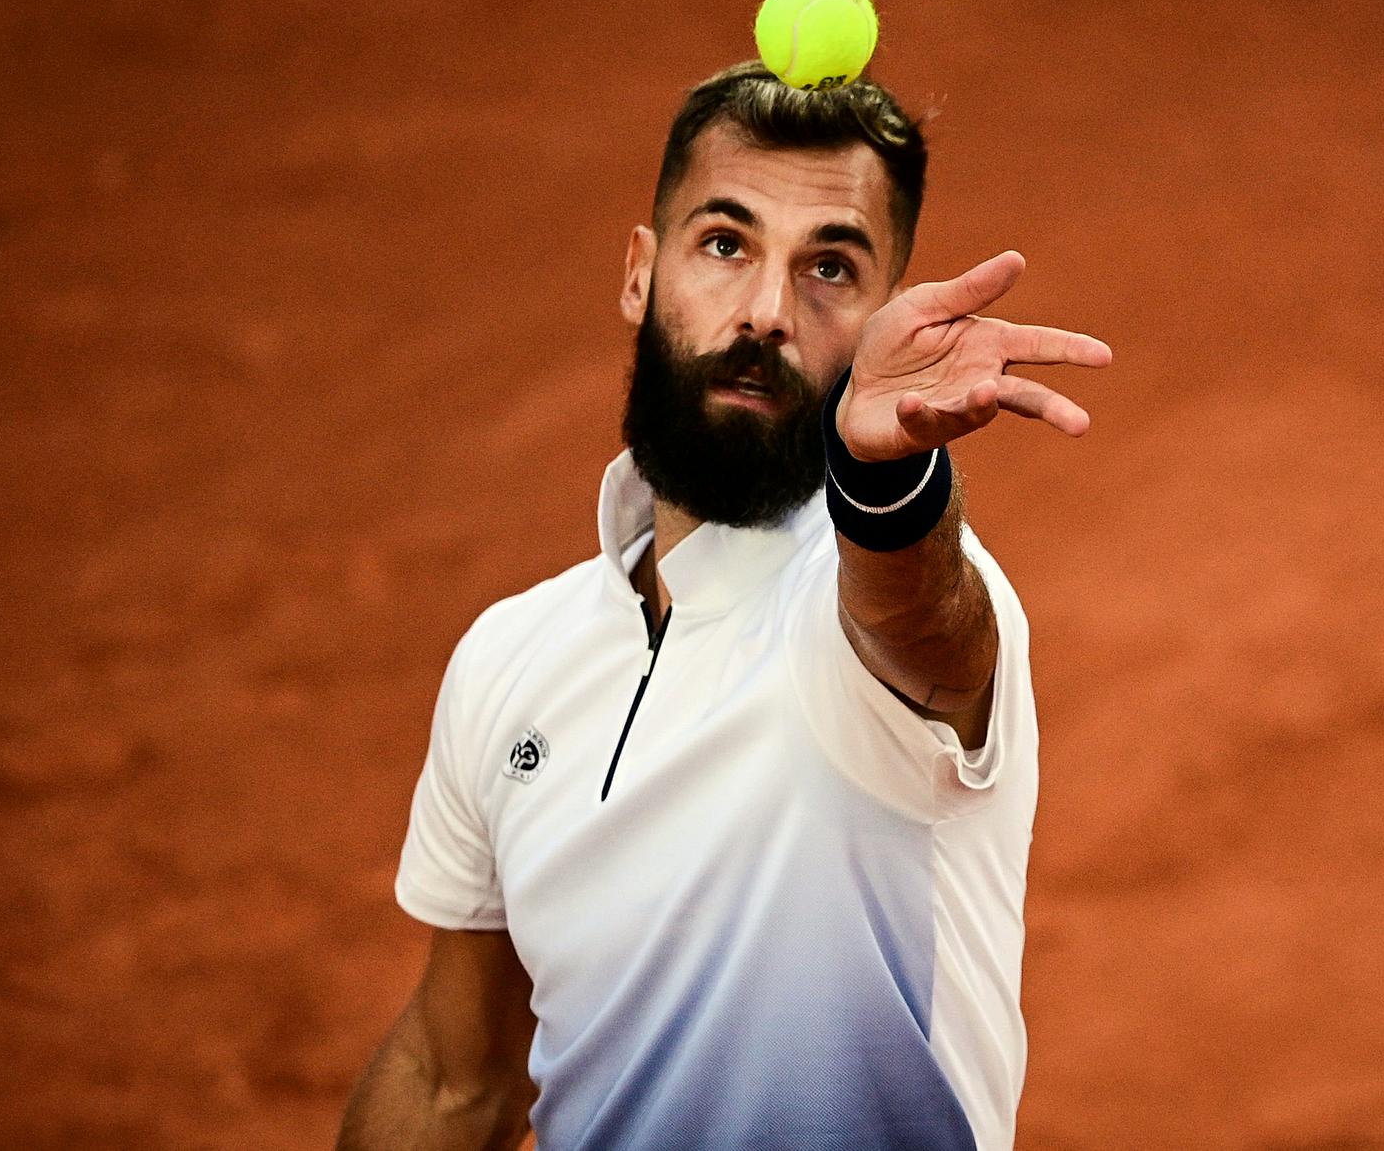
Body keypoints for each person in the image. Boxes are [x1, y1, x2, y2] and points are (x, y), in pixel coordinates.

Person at [338, 60, 1111, 1151]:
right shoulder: (511, 657)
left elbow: (918, 616)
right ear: (639, 274)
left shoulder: (869, 616)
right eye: (723, 243)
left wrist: (887, 485)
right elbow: (453, 1077)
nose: (764, 312)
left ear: (885, 319)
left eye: (830, 269)